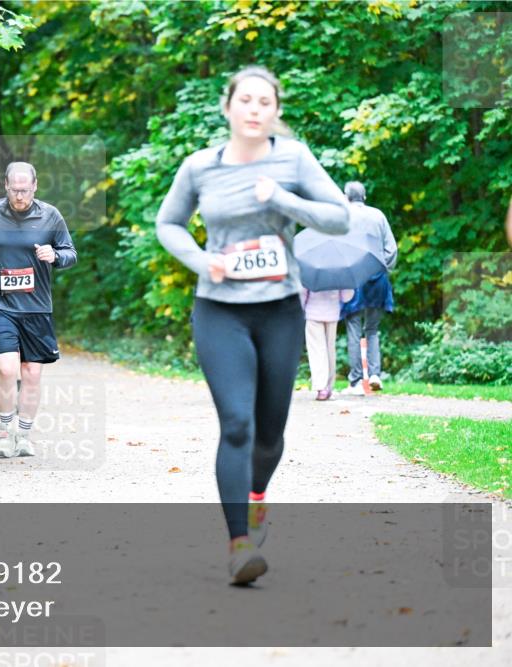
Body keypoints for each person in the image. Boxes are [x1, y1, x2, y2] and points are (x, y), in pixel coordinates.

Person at [155, 65, 350, 585]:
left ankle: (259, 495)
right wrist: (202, 261)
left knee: (269, 433)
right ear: (229, 107)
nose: (255, 109)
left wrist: (281, 198)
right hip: (219, 309)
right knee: (237, 423)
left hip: (280, 309)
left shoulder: (294, 158)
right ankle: (239, 544)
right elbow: (167, 223)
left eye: (265, 102)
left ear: (275, 112)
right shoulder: (200, 167)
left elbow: (339, 217)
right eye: (246, 100)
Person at [0, 161, 77, 458]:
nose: (19, 196)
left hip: (37, 307)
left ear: (35, 187)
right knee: (7, 368)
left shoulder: (50, 215)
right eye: (14, 190)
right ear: (5, 186)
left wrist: (55, 255)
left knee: (31, 374)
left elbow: (71, 253)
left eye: (25, 190)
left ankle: (24, 435)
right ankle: (4, 432)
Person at [339, 181, 397, 395]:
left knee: (353, 329)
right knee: (372, 329)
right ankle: (374, 374)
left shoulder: (343, 216)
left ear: (346, 196)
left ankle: (355, 382)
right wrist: (382, 269)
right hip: (377, 279)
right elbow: (391, 249)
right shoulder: (378, 216)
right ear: (364, 197)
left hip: (352, 279)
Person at [301, 288, 353, 400]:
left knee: (316, 350)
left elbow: (302, 294)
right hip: (332, 314)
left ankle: (321, 386)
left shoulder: (310, 271)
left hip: (313, 314)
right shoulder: (339, 271)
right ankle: (329, 386)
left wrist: (301, 308)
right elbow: (346, 297)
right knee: (330, 350)